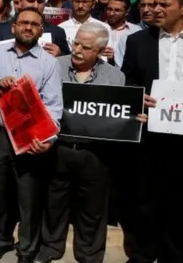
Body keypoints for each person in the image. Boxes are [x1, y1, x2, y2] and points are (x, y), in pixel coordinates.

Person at [34, 24, 138, 263]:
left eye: (86, 47)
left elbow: (119, 115)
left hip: (95, 153)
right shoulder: (54, 66)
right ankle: (50, 246)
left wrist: (133, 118)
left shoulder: (115, 76)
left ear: (100, 50)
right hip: (58, 148)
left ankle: (89, 252)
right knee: (53, 202)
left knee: (93, 207)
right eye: (76, 44)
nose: (78, 50)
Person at [0, 7, 63, 263]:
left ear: (42, 30)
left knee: (28, 195)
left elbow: (53, 104)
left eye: (34, 24)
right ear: (13, 26)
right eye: (23, 23)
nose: (28, 27)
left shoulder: (49, 63)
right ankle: (2, 240)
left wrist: (49, 139)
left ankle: (27, 248)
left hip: (31, 136)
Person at [120, 0, 183, 263]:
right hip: (149, 136)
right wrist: (138, 99)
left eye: (164, 5)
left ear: (182, 8)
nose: (155, 9)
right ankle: (143, 254)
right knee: (144, 202)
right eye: (153, 4)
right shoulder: (138, 42)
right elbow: (128, 81)